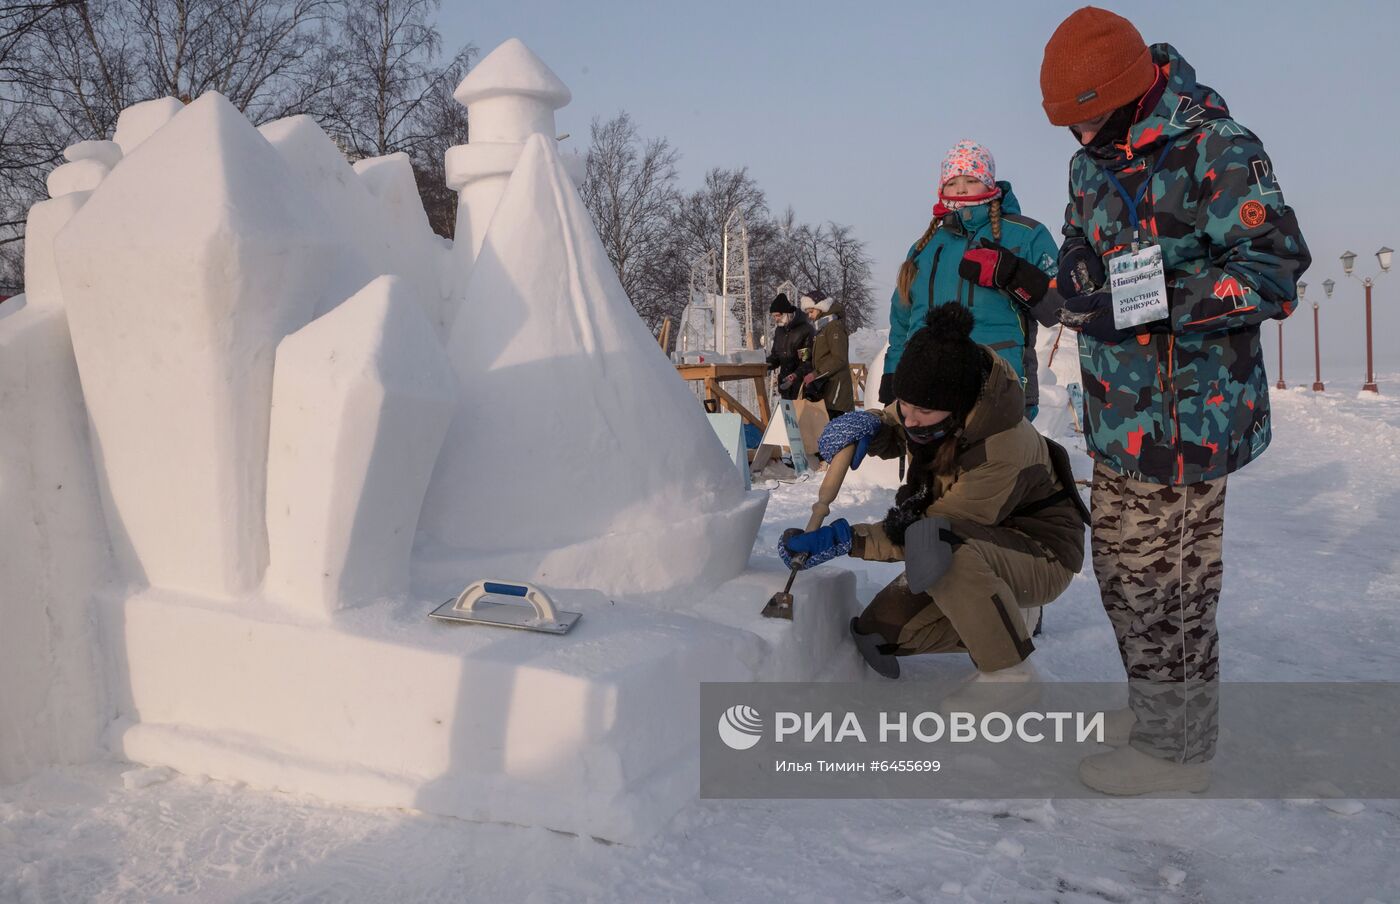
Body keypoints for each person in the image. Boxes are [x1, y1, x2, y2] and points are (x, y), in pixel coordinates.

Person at [1040, 7, 1310, 794]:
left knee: (1172, 587)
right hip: (1117, 414)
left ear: (1128, 92)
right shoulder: (1092, 160)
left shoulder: (1219, 149)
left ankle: (1176, 752)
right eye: (1070, 128)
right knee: (1121, 572)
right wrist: (1080, 272)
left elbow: (1273, 270)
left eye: (1090, 121)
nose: (1081, 140)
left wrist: (1148, 299)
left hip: (1190, 416)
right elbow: (1077, 236)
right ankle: (1159, 711)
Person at [781, 304, 1087, 681]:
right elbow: (897, 419)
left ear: (955, 407)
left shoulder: (1002, 448)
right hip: (975, 538)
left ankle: (1009, 676)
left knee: (937, 545)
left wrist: (847, 540)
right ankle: (1005, 610)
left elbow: (932, 527)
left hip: (1040, 551)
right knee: (879, 633)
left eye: (922, 411)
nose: (909, 419)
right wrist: (873, 426)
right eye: (904, 403)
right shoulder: (939, 396)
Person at [878, 140, 1064, 420]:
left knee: (995, 462)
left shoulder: (1026, 235)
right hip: (928, 388)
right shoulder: (923, 249)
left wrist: (1012, 274)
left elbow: (1059, 306)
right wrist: (894, 373)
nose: (961, 189)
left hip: (997, 382)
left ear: (990, 183)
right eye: (952, 182)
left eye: (971, 179)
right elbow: (902, 321)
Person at [799, 290, 855, 421]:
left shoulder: (834, 326)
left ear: (820, 308)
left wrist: (815, 374)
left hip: (836, 389)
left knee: (833, 429)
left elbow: (839, 358)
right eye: (808, 313)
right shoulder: (822, 328)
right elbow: (822, 355)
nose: (810, 316)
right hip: (826, 385)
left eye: (811, 312)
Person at [765, 293, 814, 402]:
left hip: (802, 387)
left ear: (787, 313)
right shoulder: (779, 331)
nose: (776, 319)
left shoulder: (805, 330)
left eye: (778, 315)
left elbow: (807, 361)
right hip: (785, 386)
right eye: (774, 316)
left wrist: (795, 375)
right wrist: (764, 364)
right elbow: (776, 356)